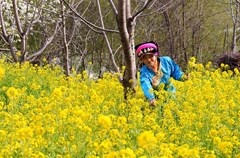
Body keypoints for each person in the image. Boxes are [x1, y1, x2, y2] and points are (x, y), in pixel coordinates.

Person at [135, 41, 187, 107]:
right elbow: (146, 85)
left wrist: (183, 77)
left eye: (151, 56)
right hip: (157, 101)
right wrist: (151, 98)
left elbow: (176, 72)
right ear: (141, 59)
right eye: (144, 58)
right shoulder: (144, 72)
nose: (148, 60)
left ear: (156, 54)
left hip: (171, 96)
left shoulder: (166, 61)